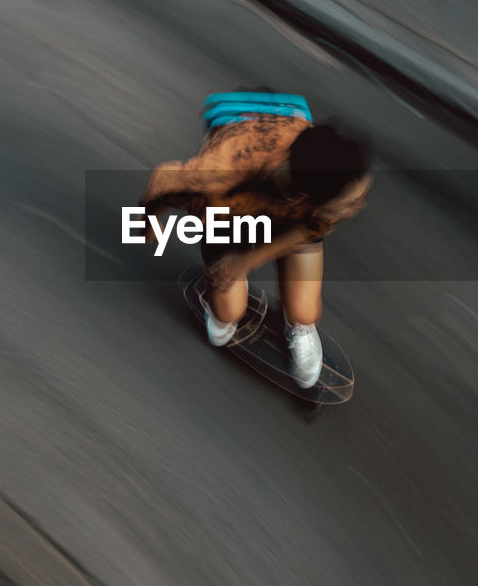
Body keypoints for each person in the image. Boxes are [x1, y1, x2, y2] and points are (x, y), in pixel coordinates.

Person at [141, 91, 372, 387]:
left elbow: (313, 228)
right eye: (346, 204)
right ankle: (222, 301)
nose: (358, 206)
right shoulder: (219, 176)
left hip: (292, 216)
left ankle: (296, 326)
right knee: (226, 319)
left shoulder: (345, 183)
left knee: (305, 313)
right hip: (231, 218)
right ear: (304, 196)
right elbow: (164, 179)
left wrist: (249, 260)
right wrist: (148, 220)